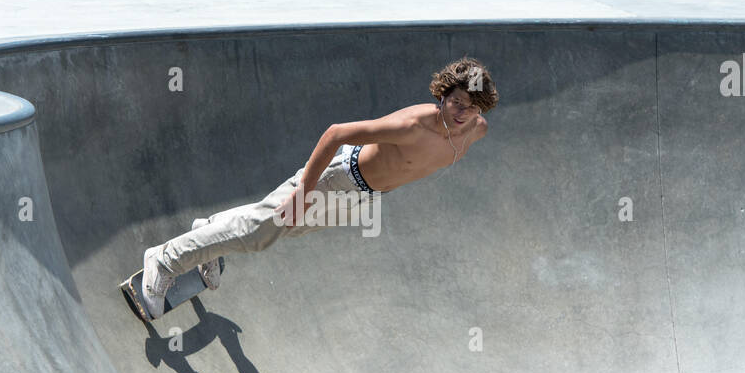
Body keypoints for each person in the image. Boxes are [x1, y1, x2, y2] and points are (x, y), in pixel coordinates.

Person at [139, 56, 498, 319]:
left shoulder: (476, 129)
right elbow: (337, 132)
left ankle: (209, 231)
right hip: (334, 178)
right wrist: (304, 191)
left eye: (471, 107)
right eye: (455, 102)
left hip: (362, 195)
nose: (461, 113)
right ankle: (166, 259)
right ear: (441, 95)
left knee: (275, 229)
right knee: (259, 233)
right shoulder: (413, 126)